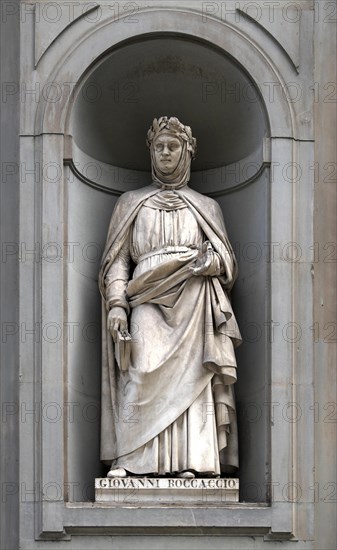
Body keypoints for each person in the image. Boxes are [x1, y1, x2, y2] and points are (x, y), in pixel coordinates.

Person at [98, 116, 241, 478]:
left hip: (194, 301)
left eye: (172, 146)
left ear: (187, 152)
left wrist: (212, 262)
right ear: (151, 152)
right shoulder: (131, 203)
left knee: (195, 379)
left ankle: (193, 460)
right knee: (141, 369)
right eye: (159, 146)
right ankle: (131, 458)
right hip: (145, 298)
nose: (165, 152)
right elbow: (117, 262)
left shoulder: (206, 206)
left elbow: (228, 262)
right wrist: (116, 304)